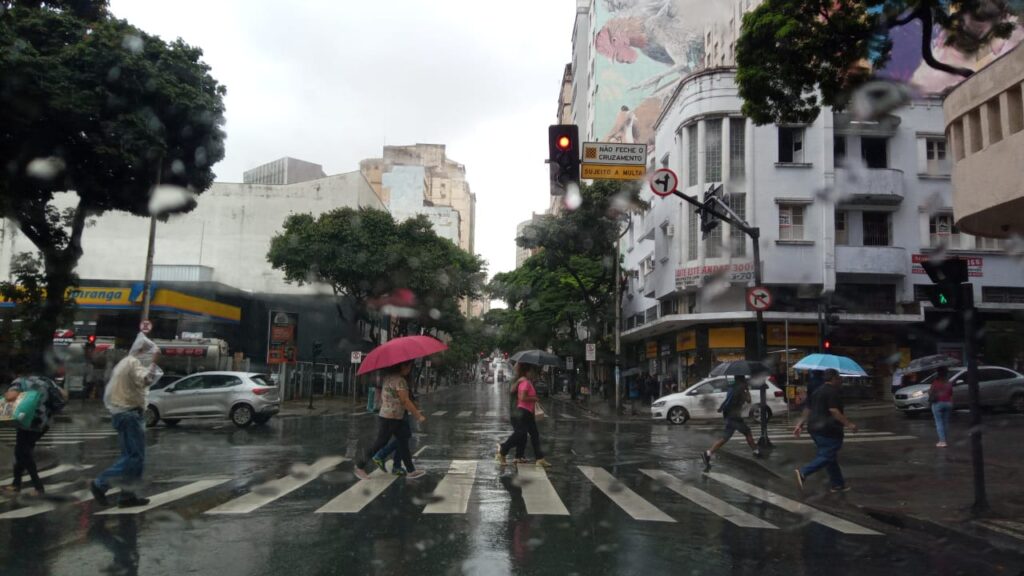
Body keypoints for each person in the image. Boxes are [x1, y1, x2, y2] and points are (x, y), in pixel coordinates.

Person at [91, 333, 162, 508]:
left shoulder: (123, 364)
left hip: (122, 413)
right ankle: (101, 483)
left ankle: (127, 495)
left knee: (132, 456)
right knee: (134, 457)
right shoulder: (132, 362)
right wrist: (155, 361)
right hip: (129, 414)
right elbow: (147, 380)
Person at [355, 361, 427, 480]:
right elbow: (405, 401)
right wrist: (418, 415)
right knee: (380, 443)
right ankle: (360, 466)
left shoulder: (388, 377)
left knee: (403, 441)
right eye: (409, 366)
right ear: (403, 366)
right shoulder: (400, 381)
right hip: (390, 418)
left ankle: (411, 471)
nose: (410, 369)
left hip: (392, 416)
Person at [2, 365, 67, 496]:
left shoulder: (20, 381)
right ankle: (16, 484)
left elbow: (10, 397)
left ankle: (38, 487)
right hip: (44, 423)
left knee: (23, 452)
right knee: (21, 451)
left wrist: (5, 395)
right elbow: (64, 395)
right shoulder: (46, 380)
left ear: (18, 373)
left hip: (27, 421)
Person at [793, 369, 858, 493]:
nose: (840, 380)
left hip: (814, 428)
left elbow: (808, 408)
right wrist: (849, 424)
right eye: (839, 377)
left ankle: (838, 484)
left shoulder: (817, 391)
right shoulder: (832, 392)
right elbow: (834, 411)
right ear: (833, 379)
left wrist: (800, 424)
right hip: (829, 429)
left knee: (829, 456)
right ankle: (803, 472)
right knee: (827, 455)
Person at [701, 375, 761, 470]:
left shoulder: (732, 388)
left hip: (730, 416)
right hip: (735, 418)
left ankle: (708, 453)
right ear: (742, 381)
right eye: (744, 380)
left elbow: (727, 400)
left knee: (725, 437)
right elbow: (749, 400)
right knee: (747, 432)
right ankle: (756, 451)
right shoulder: (740, 390)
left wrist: (721, 408)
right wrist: (747, 390)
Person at [496, 362, 550, 467]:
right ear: (527, 371)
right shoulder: (522, 381)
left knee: (533, 435)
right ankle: (503, 449)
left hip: (527, 412)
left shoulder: (527, 381)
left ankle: (539, 458)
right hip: (520, 412)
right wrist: (535, 398)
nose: (533, 373)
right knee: (520, 434)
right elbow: (520, 396)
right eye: (532, 371)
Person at [929, 366, 954, 448]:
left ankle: (942, 441)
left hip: (938, 403)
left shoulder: (935, 382)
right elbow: (951, 393)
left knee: (939, 422)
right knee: (945, 422)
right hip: (948, 403)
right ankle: (945, 440)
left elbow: (931, 392)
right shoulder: (948, 382)